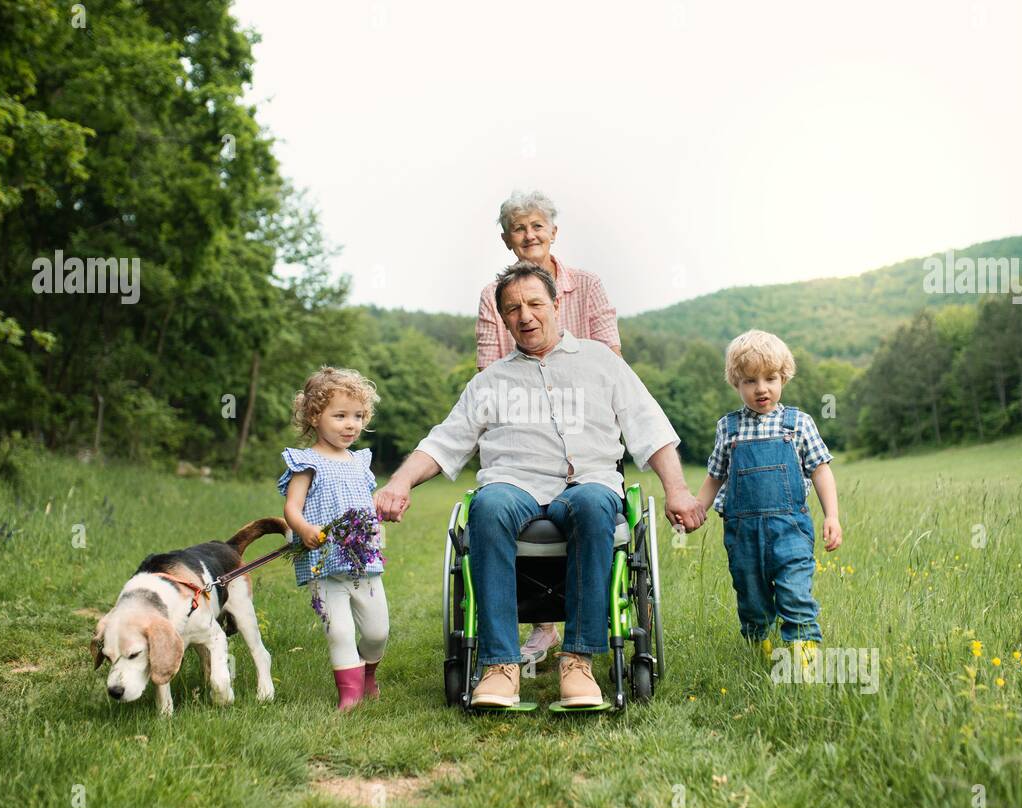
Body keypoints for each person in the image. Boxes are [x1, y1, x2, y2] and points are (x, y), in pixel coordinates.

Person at [376, 260, 704, 708]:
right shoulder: (490, 381)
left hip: (588, 482)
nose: (525, 315)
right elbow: (444, 442)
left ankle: (579, 662)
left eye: (534, 303)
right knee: (487, 507)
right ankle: (500, 667)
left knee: (592, 504)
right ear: (503, 318)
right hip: (514, 485)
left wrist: (678, 490)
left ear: (555, 305)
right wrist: (399, 483)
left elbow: (650, 428)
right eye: (513, 309)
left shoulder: (600, 362)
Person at [476, 189, 622, 665]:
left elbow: (609, 355)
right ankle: (539, 625)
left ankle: (579, 650)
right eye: (519, 228)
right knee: (501, 499)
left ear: (553, 232)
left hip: (585, 411)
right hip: (520, 416)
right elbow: (488, 366)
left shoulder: (587, 284)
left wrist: (565, 371)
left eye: (537, 225)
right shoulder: (494, 296)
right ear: (507, 239)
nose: (529, 234)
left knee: (589, 501)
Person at [694, 330, 843, 657]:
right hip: (742, 533)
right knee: (752, 598)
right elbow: (715, 476)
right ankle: (762, 646)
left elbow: (820, 469)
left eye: (770, 378)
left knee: (795, 592)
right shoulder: (728, 428)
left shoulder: (798, 424)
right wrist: (697, 510)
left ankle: (804, 656)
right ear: (736, 383)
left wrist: (831, 515)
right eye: (750, 381)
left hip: (789, 530)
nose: (761, 388)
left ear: (783, 377)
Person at [278, 366, 387, 711]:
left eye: (357, 416)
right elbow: (292, 508)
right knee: (339, 632)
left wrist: (378, 518)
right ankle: (349, 696)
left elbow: (366, 506)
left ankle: (368, 674)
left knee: (376, 632)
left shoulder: (360, 462)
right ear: (314, 416)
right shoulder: (306, 463)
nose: (350, 424)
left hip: (362, 562)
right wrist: (304, 529)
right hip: (323, 564)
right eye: (340, 416)